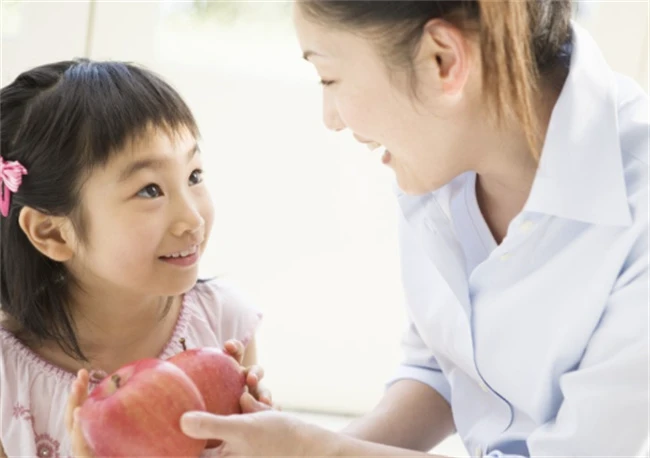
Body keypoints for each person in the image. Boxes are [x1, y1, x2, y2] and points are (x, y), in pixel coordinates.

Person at [178, 1, 649, 457]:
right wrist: (293, 449)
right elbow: (444, 372)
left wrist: (315, 450)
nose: (331, 119)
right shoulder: (446, 154)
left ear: (442, 60)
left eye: (330, 77)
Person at [0, 59, 270, 457]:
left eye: (194, 176)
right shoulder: (8, 376)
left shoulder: (222, 323)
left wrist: (262, 443)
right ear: (52, 233)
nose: (193, 219)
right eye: (149, 190)